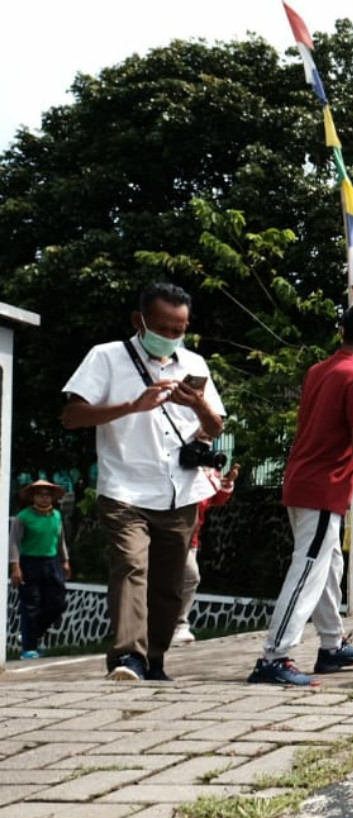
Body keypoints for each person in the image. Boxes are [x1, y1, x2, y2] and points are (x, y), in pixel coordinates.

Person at [62, 282, 226, 681]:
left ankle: (154, 659)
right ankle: (126, 657)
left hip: (180, 491)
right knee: (131, 566)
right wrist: (133, 406)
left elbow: (215, 427)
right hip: (124, 489)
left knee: (170, 584)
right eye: (163, 327)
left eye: (179, 329)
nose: (171, 336)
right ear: (140, 321)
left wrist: (199, 404)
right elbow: (72, 416)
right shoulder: (107, 357)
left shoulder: (195, 364)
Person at [247, 303, 353, 686]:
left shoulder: (318, 371)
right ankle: (274, 656)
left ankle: (332, 645)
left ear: (341, 333)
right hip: (325, 486)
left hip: (303, 480)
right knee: (308, 569)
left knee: (328, 566)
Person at [173, 462, 238, 646]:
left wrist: (225, 484)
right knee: (189, 577)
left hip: (191, 536)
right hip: (170, 533)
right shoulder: (178, 462)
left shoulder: (210, 471)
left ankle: (177, 625)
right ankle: (176, 624)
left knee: (187, 578)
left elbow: (216, 499)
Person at [9, 479, 72, 659]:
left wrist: (65, 560)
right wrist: (15, 566)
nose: (44, 498)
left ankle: (33, 632)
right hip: (29, 563)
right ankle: (28, 648)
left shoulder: (57, 515)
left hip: (52, 562)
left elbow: (61, 540)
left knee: (58, 603)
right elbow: (14, 543)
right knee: (31, 604)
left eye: (47, 495)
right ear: (32, 497)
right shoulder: (22, 517)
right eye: (40, 495)